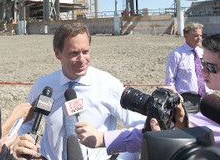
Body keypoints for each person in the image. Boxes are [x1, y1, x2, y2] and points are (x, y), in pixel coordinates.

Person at [14, 22, 145, 159]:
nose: (82, 59)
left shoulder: (108, 85)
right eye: (74, 53)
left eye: (86, 52)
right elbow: (26, 122)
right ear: (57, 53)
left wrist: (104, 139)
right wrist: (22, 141)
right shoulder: (43, 86)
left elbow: (142, 126)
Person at [77, 33, 220, 156]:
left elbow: (149, 134)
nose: (203, 71)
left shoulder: (214, 112)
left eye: (211, 67)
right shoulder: (212, 109)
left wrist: (103, 138)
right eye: (203, 63)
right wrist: (184, 126)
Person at [165, 22, 213, 113]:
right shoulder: (176, 54)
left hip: (205, 99)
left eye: (200, 35)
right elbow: (169, 81)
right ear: (186, 36)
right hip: (186, 100)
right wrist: (177, 99)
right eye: (195, 36)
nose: (199, 38)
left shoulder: (203, 53)